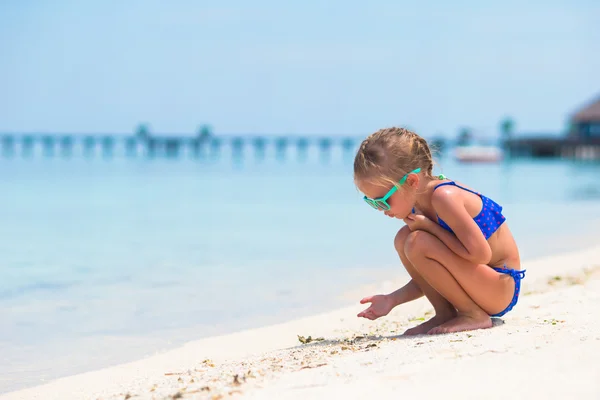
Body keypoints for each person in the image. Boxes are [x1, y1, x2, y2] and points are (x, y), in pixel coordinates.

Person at [353, 127, 524, 335]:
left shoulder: (444, 197)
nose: (382, 210)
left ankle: (472, 314)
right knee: (404, 239)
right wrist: (392, 299)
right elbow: (436, 273)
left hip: (501, 286)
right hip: (480, 284)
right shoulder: (418, 205)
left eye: (383, 201)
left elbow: (481, 254)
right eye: (373, 203)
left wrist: (430, 227)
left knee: (416, 241)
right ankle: (445, 314)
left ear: (412, 181)